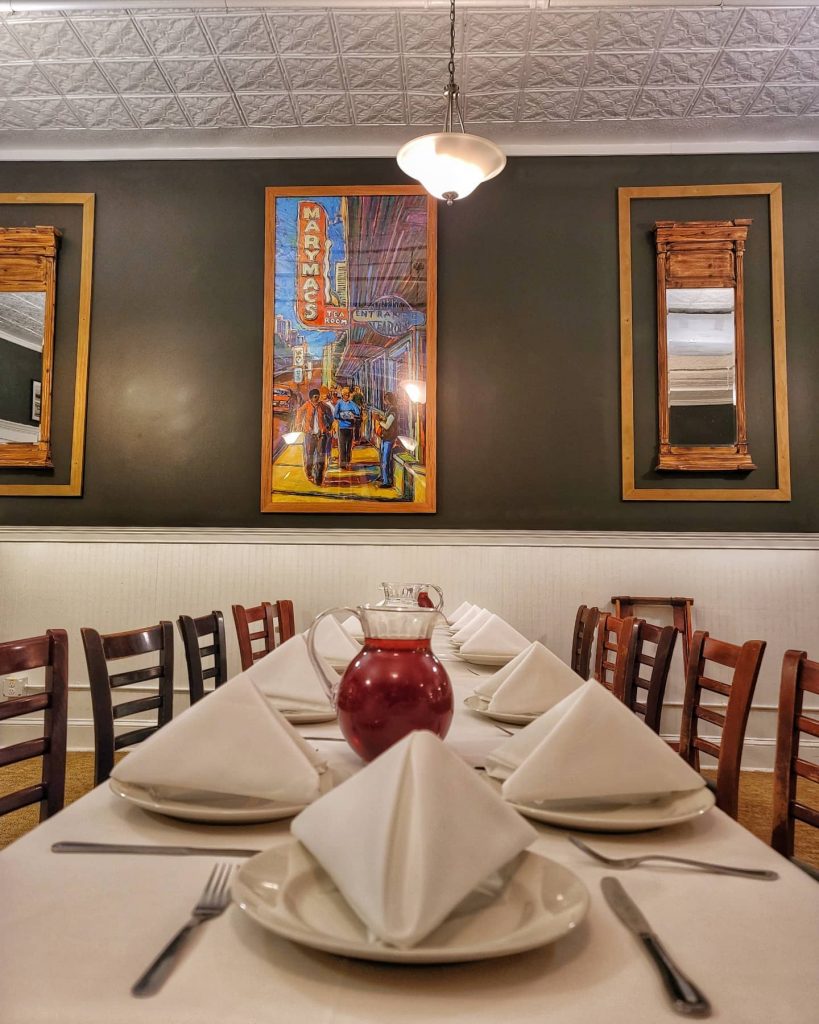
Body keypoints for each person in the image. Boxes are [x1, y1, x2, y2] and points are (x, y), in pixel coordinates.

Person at [295, 388, 332, 485]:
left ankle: (319, 479)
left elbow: (330, 417)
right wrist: (299, 425)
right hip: (309, 435)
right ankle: (309, 473)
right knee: (309, 456)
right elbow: (299, 413)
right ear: (311, 398)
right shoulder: (306, 405)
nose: (317, 398)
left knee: (321, 458)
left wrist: (328, 427)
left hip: (321, 435)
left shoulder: (323, 406)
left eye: (318, 396)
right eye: (315, 397)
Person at [374, 391, 398, 489]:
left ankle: (387, 481)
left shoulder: (393, 411)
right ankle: (383, 477)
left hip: (389, 438)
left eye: (385, 399)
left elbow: (387, 426)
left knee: (385, 460)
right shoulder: (390, 409)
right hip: (385, 437)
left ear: (387, 400)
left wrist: (379, 420)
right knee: (383, 458)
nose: (384, 401)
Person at [333, 385, 361, 470]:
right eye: (346, 394)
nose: (347, 396)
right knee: (341, 446)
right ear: (342, 395)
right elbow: (335, 415)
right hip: (342, 428)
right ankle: (342, 463)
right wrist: (342, 416)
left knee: (349, 446)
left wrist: (353, 415)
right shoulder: (339, 403)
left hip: (350, 428)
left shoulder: (352, 404)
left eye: (348, 394)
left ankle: (348, 462)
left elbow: (358, 414)